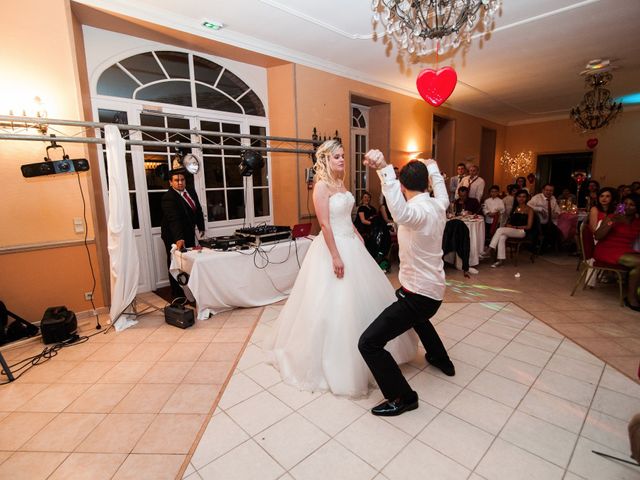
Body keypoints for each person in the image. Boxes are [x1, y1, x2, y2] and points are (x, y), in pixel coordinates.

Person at [264, 140, 416, 398]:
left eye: (343, 156)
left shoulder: (340, 183)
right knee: (335, 303)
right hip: (333, 247)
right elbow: (325, 225)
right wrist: (335, 256)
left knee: (362, 300)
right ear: (325, 160)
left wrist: (357, 233)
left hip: (351, 243)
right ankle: (340, 363)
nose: (342, 160)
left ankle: (374, 352)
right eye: (337, 157)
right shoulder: (321, 186)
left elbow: (345, 216)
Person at [358, 151, 455, 417]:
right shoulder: (439, 204)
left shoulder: (417, 212)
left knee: (368, 343)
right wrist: (433, 164)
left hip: (420, 295)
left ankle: (403, 397)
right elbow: (441, 190)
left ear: (402, 186)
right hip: (434, 291)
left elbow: (399, 212)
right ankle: (439, 358)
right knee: (419, 315)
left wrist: (384, 170)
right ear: (426, 183)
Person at [160, 169, 205, 299]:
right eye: (176, 180)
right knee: (176, 262)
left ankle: (190, 290)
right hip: (173, 234)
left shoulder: (191, 191)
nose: (180, 183)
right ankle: (177, 294)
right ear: (170, 182)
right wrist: (179, 238)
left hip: (188, 231)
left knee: (189, 260)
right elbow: (174, 219)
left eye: (182, 180)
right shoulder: (168, 197)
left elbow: (198, 209)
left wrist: (201, 226)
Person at [593, 194, 640, 311]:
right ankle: (631, 298)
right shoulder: (613, 217)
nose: (628, 207)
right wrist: (611, 222)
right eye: (625, 204)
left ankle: (634, 294)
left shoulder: (638, 222)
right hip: (607, 249)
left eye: (632, 205)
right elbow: (598, 236)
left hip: (625, 250)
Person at [481, 189, 534, 267]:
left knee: (499, 230)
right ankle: (500, 260)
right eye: (519, 196)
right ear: (516, 198)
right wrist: (508, 225)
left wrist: (514, 227)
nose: (521, 199)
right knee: (502, 237)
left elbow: (529, 226)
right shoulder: (515, 208)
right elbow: (510, 221)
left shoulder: (529, 209)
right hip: (513, 230)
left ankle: (489, 250)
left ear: (527, 198)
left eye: (524, 197)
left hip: (522, 232)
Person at [528, 183, 562, 252]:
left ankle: (550, 247)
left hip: (551, 221)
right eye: (547, 190)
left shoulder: (553, 198)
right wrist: (540, 209)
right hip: (539, 223)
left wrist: (556, 213)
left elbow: (558, 210)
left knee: (560, 230)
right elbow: (528, 206)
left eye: (551, 190)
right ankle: (541, 248)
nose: (549, 192)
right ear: (543, 190)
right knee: (550, 231)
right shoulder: (537, 197)